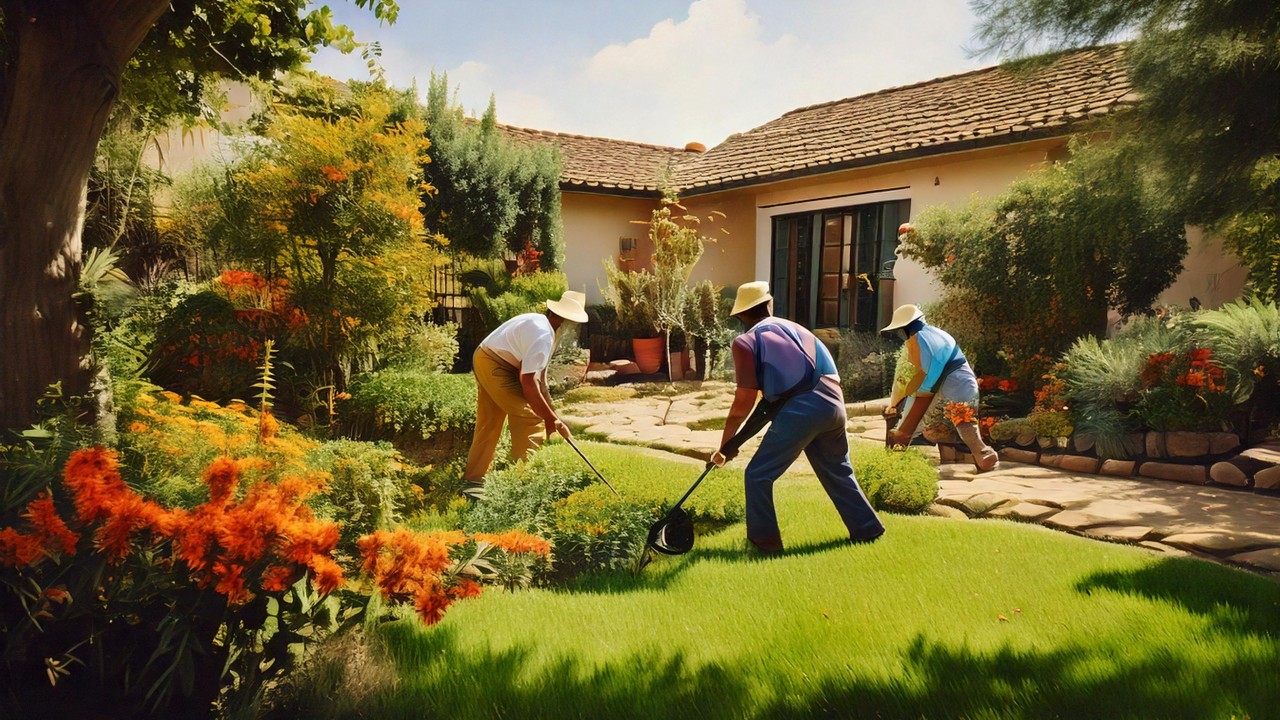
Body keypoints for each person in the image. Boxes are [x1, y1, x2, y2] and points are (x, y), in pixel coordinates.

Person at [712, 281, 885, 554]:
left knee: (757, 475)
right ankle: (868, 530)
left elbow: (743, 402)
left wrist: (725, 444)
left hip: (803, 407)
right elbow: (770, 406)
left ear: (740, 317)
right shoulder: (795, 329)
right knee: (838, 470)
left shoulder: (746, 342)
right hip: (833, 403)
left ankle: (764, 545)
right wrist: (734, 443)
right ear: (769, 305)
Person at [461, 290, 589, 495]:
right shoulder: (543, 337)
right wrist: (546, 418)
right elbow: (528, 383)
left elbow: (541, 382)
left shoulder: (544, 328)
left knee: (490, 421)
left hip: (485, 357)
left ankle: (474, 481)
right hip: (496, 364)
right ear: (565, 320)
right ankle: (524, 483)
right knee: (529, 417)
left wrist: (554, 417)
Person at [882, 304, 999, 471]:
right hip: (947, 384)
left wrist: (914, 400)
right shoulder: (922, 338)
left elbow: (930, 376)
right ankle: (896, 456)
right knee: (914, 420)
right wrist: (902, 398)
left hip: (958, 381)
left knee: (964, 420)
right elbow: (921, 375)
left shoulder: (923, 338)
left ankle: (983, 454)